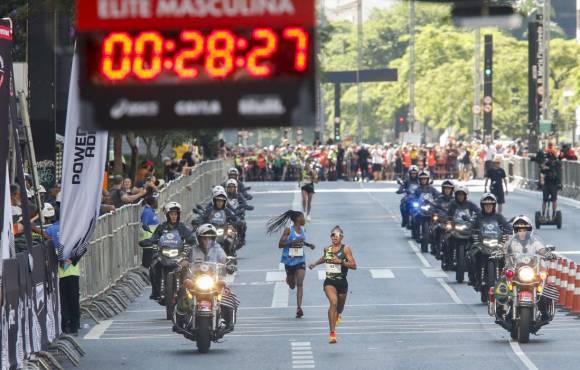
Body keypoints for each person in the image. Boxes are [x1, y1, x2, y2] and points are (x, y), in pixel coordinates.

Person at [175, 224, 238, 331]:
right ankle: (180, 321)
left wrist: (229, 265)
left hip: (213, 280)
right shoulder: (192, 250)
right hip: (195, 280)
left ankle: (227, 320)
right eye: (204, 238)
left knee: (226, 292)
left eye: (210, 238)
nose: (207, 241)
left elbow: (225, 259)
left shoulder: (217, 249)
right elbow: (184, 259)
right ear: (198, 238)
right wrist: (182, 263)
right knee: (183, 291)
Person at [309, 226, 357, 344]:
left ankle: (338, 314)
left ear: (341, 237)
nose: (335, 237)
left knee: (339, 309)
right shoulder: (327, 249)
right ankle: (332, 333)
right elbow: (325, 258)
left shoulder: (346, 249)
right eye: (332, 235)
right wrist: (315, 263)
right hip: (329, 282)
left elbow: (354, 266)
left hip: (342, 283)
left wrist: (340, 261)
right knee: (333, 303)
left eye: (337, 235)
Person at [142, 202, 196, 300]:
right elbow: (154, 238)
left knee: (189, 266)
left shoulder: (182, 227)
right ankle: (155, 291)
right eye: (171, 214)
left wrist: (191, 239)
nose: (174, 216)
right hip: (163, 254)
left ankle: (189, 289)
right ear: (167, 215)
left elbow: (190, 237)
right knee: (153, 266)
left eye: (176, 214)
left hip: (179, 254)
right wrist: (147, 241)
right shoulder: (161, 227)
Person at [266, 210, 315, 319]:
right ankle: (289, 279)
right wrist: (291, 242)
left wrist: (308, 245)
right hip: (289, 261)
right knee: (292, 285)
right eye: (302, 217)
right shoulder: (288, 230)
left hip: (300, 260)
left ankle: (299, 308)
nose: (304, 219)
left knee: (300, 283)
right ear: (297, 219)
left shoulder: (303, 229)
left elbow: (301, 241)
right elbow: (280, 244)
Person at [44, 214, 81, 336]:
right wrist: (73, 259)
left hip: (58, 273)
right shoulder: (74, 229)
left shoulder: (50, 230)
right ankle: (75, 325)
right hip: (72, 270)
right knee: (74, 299)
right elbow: (82, 247)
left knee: (63, 300)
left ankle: (65, 326)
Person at [468, 194, 510, 285]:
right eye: (486, 205)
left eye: (490, 204)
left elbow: (508, 226)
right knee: (470, 255)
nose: (488, 207)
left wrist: (509, 233)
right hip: (481, 244)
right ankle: (473, 278)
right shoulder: (477, 217)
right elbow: (470, 226)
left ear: (494, 205)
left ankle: (504, 279)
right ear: (482, 206)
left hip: (496, 244)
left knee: (507, 257)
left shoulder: (499, 217)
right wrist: (470, 230)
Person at [139, 196, 160, 268]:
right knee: (147, 262)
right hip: (148, 241)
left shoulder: (151, 211)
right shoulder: (147, 212)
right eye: (156, 201)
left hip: (153, 241)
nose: (157, 203)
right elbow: (144, 224)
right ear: (153, 203)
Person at [540, 152, 561, 221]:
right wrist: (542, 182)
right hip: (547, 184)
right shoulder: (545, 165)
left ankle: (554, 215)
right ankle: (543, 215)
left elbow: (558, 174)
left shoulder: (556, 165)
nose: (548, 160)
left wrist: (559, 184)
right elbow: (542, 174)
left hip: (553, 185)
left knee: (554, 200)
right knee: (545, 200)